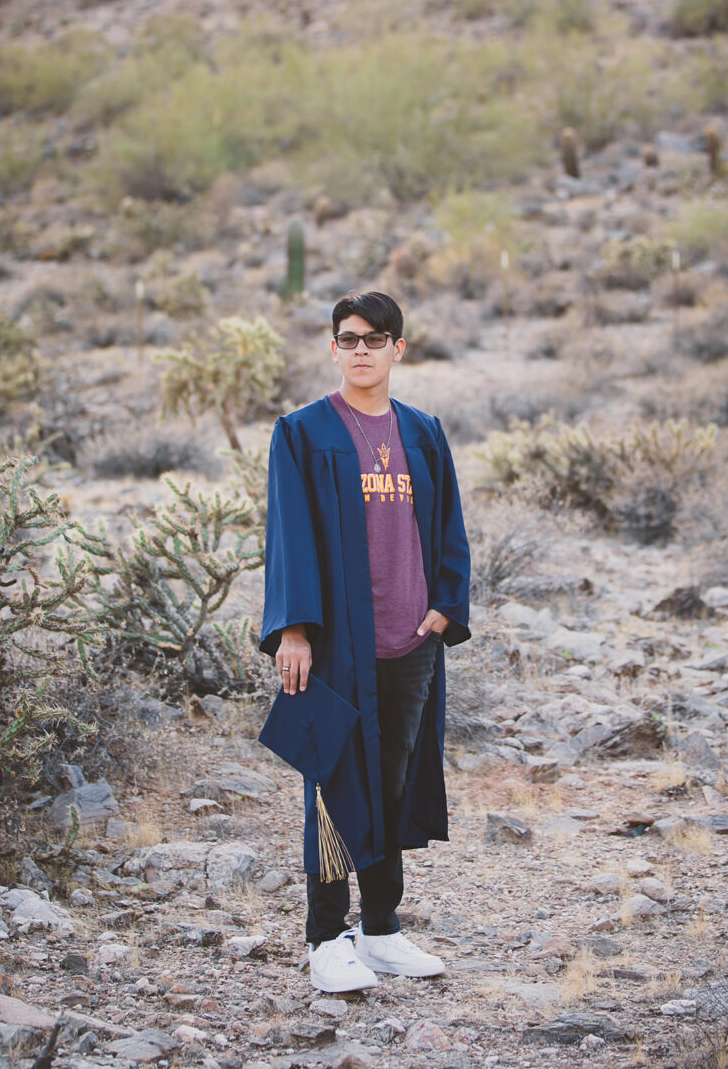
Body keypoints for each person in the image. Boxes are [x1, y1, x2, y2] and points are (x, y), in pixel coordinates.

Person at [260, 290, 471, 994]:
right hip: (335, 643)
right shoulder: (303, 431)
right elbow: (287, 536)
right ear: (333, 348)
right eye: (348, 339)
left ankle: (380, 930)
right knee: (331, 779)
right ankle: (325, 939)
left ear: (396, 349)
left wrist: (443, 608)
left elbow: (448, 530)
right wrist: (293, 629)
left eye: (374, 339)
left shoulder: (422, 431)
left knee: (393, 780)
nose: (360, 350)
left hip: (410, 641)